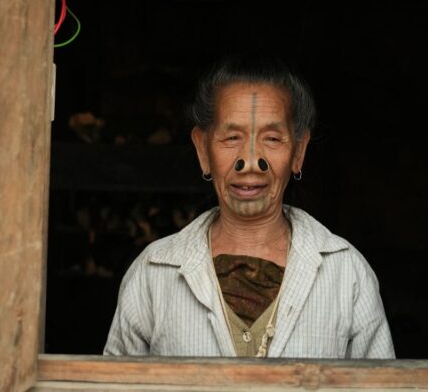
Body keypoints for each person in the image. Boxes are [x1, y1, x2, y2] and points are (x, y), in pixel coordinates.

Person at [104, 55, 394, 359]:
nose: (251, 162)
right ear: (203, 149)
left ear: (299, 152)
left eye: (272, 138)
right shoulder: (153, 274)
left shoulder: (347, 274)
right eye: (232, 137)